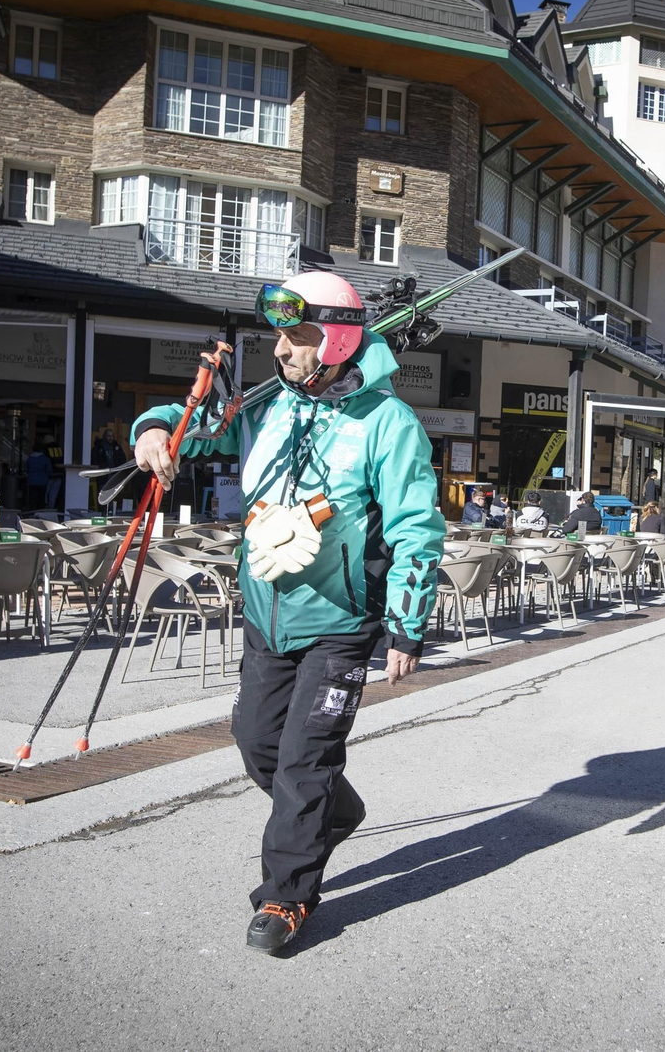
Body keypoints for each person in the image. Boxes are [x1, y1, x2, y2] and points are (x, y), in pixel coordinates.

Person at [131, 269, 444, 955]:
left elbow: (417, 527)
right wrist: (153, 430)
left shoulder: (388, 424)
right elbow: (200, 428)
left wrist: (406, 625)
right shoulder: (274, 404)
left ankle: (287, 895)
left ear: (334, 341)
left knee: (305, 760)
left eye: (300, 337)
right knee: (256, 743)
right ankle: (338, 808)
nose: (283, 349)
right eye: (280, 334)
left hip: (340, 619)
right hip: (267, 613)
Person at [25, 440, 53, 510]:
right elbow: (49, 470)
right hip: (43, 481)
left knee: (32, 497)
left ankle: (32, 511)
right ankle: (40, 511)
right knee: (41, 497)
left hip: (32, 481)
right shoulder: (45, 459)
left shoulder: (29, 459)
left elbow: (26, 470)